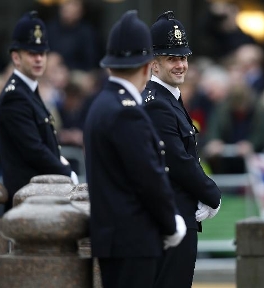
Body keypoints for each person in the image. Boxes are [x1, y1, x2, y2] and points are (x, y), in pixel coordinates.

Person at [83, 10, 186, 288]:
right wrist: (170, 223)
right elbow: (148, 178)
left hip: (114, 239)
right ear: (146, 66)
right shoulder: (127, 111)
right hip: (134, 241)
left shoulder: (101, 104)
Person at [142, 11, 222, 287]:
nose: (180, 65)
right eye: (171, 58)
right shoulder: (157, 103)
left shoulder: (167, 98)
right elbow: (177, 159)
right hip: (171, 218)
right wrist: (212, 194)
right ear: (154, 64)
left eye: (183, 57)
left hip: (176, 214)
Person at [0, 11, 78, 211]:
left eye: (42, 53)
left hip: (38, 197)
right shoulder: (14, 95)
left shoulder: (28, 90)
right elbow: (33, 149)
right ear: (16, 57)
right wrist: (66, 171)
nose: (39, 59)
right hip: (26, 203)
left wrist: (61, 162)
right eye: (32, 54)